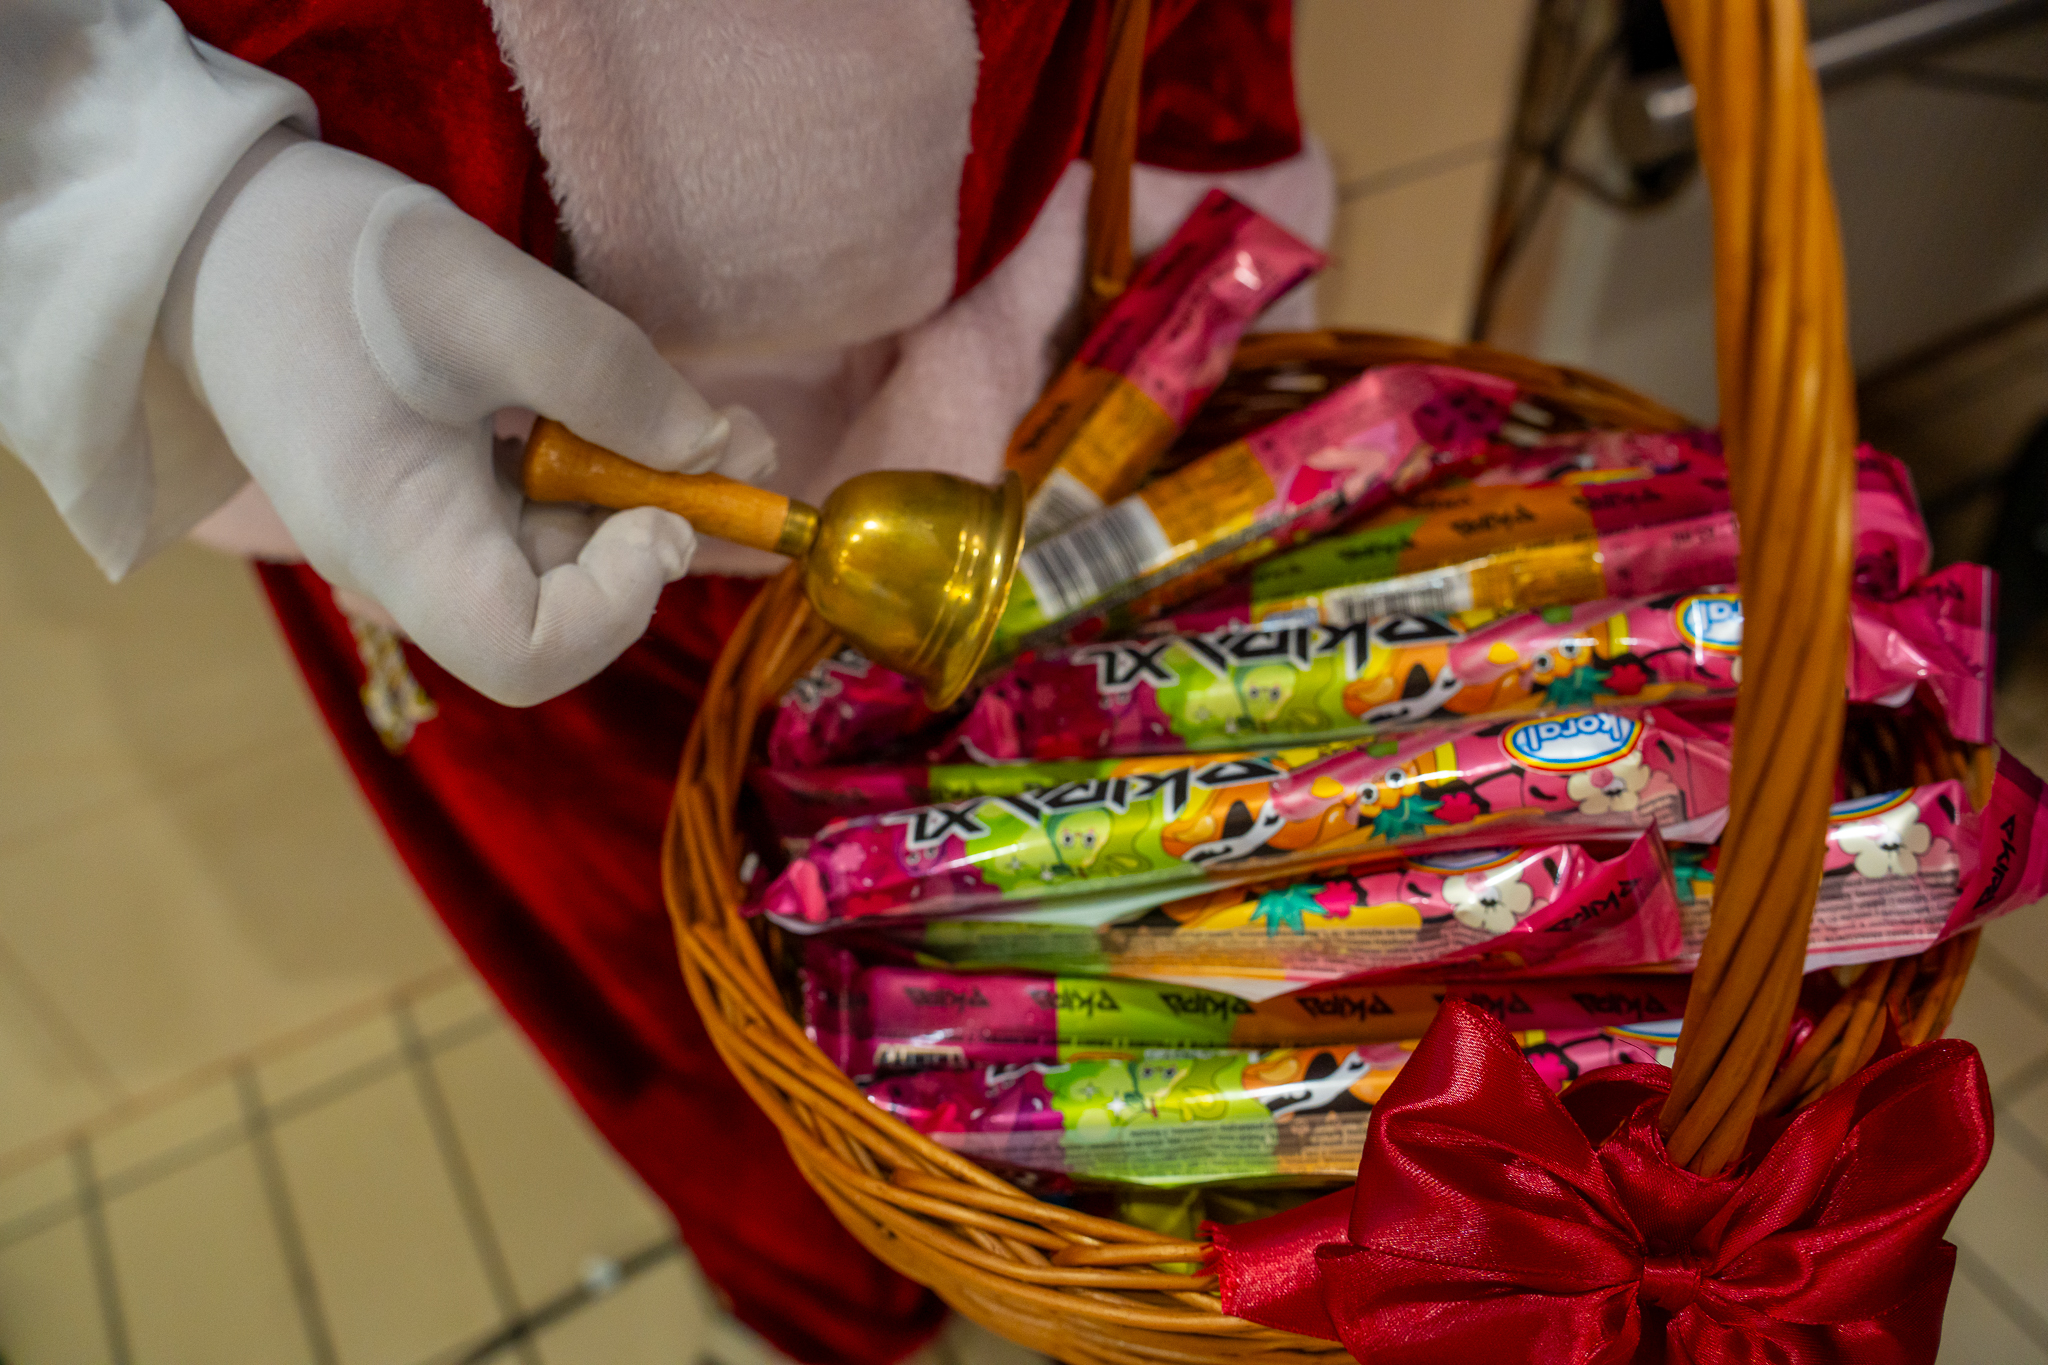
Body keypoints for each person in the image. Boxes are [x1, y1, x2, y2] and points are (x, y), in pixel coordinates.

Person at [2, 2, 1330, 1359]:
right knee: (674, 1000)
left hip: (1027, 357)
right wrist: (184, 216)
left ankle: (992, 1266)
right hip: (430, 457)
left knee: (1076, 936)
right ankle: (827, 1314)